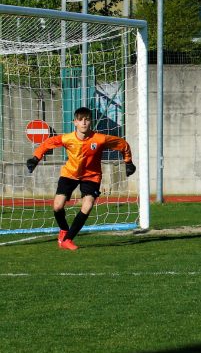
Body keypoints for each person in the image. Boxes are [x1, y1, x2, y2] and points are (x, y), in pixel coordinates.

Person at [26, 106, 136, 251]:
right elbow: (48, 143)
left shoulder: (100, 139)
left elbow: (122, 144)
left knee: (88, 205)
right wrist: (35, 158)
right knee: (57, 206)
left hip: (92, 176)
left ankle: (68, 239)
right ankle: (64, 229)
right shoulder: (67, 138)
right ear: (75, 122)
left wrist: (128, 162)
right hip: (70, 174)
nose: (84, 122)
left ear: (91, 122)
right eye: (80, 120)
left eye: (87, 119)